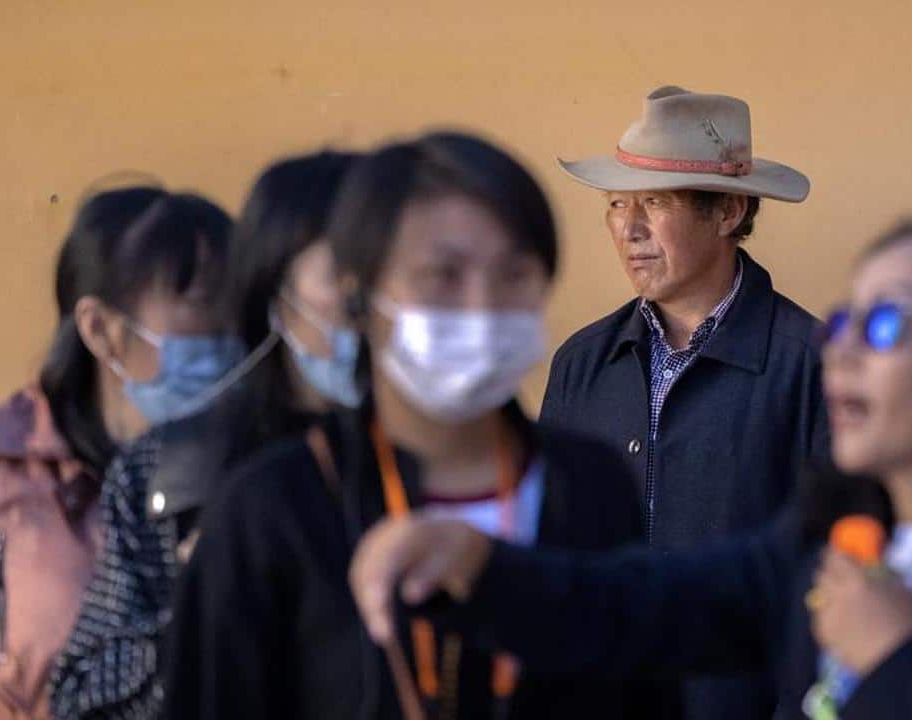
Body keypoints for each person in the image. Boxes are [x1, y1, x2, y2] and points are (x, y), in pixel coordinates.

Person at [351, 219, 912, 719]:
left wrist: (896, 662)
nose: (838, 349)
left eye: (885, 324)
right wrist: (481, 566)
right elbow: (637, 602)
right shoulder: (820, 549)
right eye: (845, 318)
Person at [164, 132, 663, 719]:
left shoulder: (591, 488)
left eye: (513, 274)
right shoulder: (271, 510)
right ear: (361, 297)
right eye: (441, 276)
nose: (481, 308)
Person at [0, 186, 238, 720]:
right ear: (101, 330)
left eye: (238, 310)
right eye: (202, 310)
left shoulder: (258, 465)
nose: (229, 338)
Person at [541, 84, 827, 716]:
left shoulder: (811, 366)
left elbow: (828, 576)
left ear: (727, 213)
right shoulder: (582, 363)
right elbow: (551, 557)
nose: (629, 229)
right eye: (618, 204)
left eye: (655, 203)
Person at [46, 150, 360, 719]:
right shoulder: (166, 471)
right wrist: (206, 607)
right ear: (276, 292)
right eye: (346, 277)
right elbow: (82, 701)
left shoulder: (486, 453)